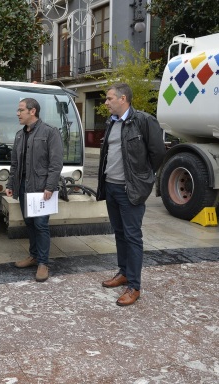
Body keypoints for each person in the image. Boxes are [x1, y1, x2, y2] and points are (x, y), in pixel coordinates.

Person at [97, 83, 166, 306]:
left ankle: (134, 286)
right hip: (111, 187)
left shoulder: (144, 121)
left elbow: (158, 155)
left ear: (123, 98)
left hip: (130, 190)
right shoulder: (111, 122)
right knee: (119, 233)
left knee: (132, 236)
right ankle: (124, 272)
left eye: (109, 99)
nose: (106, 103)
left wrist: (143, 180)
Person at [5, 98, 63, 282]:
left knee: (41, 225)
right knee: (29, 223)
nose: (17, 113)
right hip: (23, 188)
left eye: (21, 110)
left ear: (33, 111)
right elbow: (14, 164)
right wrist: (10, 184)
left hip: (41, 189)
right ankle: (34, 256)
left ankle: (43, 263)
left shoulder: (50, 132)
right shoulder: (19, 135)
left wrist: (50, 186)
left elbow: (56, 164)